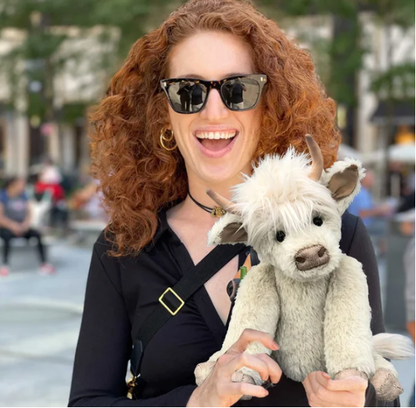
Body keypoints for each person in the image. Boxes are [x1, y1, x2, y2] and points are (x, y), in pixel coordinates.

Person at [69, 1, 388, 406]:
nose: (213, 111)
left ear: (268, 107)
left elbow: (382, 392)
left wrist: (360, 400)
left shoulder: (339, 234)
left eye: (238, 90)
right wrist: (195, 401)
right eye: (189, 92)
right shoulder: (123, 248)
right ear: (162, 112)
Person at [0, 177, 55, 276]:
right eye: (21, 184)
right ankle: (5, 265)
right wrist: (13, 226)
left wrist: (25, 225)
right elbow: (1, 217)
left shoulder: (23, 195)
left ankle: (43, 264)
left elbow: (29, 213)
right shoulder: (3, 196)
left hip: (22, 227)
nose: (23, 187)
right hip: (7, 227)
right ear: (12, 185)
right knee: (6, 236)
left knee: (37, 234)